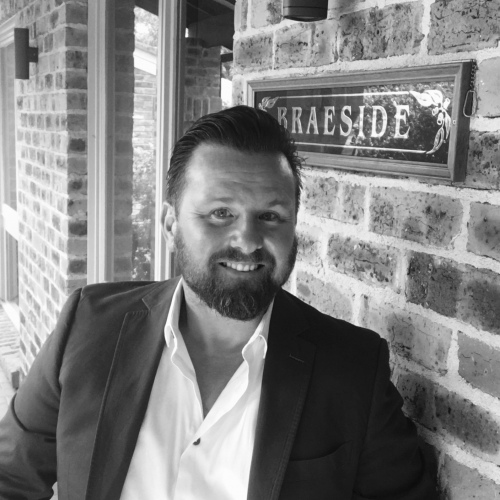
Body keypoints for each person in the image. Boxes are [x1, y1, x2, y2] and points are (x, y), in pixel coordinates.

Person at [0, 105, 437, 500]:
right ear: (170, 223)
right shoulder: (89, 326)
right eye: (220, 213)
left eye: (270, 216)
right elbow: (10, 478)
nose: (247, 240)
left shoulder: (353, 368)